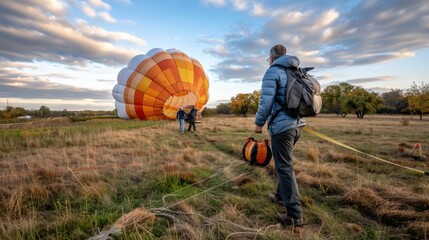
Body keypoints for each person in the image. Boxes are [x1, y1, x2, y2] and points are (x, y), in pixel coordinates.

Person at [254, 44, 306, 228]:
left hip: (282, 126)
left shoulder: (273, 71)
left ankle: (294, 216)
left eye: (268, 59)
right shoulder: (295, 70)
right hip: (297, 125)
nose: (268, 62)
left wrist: (259, 123)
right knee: (284, 164)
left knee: (284, 168)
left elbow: (265, 101)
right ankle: (280, 197)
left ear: (272, 58)